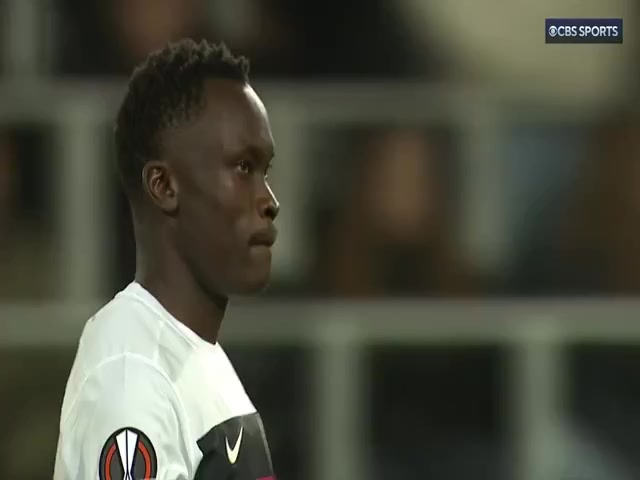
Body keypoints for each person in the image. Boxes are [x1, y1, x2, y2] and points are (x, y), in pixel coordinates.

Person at [53, 39, 279, 480]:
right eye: (243, 168)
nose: (270, 201)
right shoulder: (133, 375)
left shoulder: (190, 355)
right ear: (164, 186)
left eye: (264, 171)